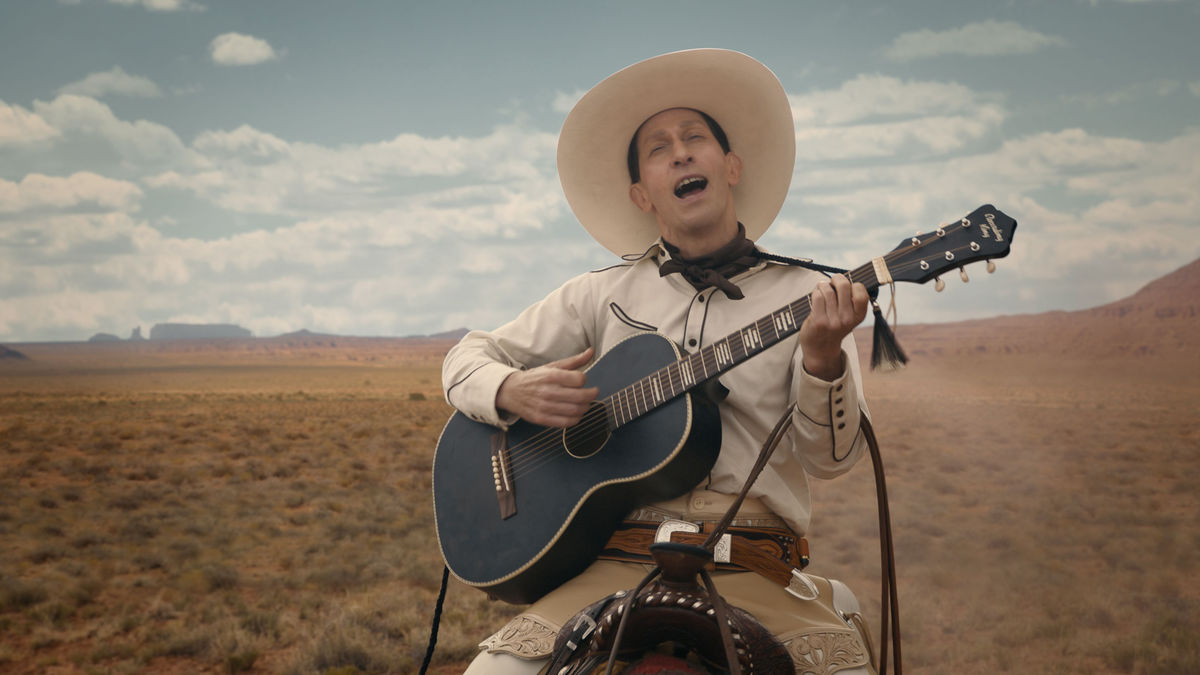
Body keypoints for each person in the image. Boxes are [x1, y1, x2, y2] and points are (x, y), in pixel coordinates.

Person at [444, 49, 877, 674]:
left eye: (694, 138)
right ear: (642, 194)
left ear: (729, 166)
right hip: (616, 557)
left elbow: (833, 460)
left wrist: (822, 360)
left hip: (754, 560)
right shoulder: (601, 293)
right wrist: (511, 389)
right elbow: (466, 356)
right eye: (658, 148)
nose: (679, 152)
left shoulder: (806, 298)